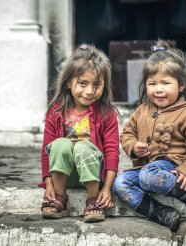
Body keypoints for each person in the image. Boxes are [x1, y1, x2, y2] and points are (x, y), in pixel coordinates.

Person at [113, 40, 186, 231]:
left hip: (172, 166)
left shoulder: (185, 114)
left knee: (148, 176)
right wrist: (133, 146)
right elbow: (127, 133)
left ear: (181, 85)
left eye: (165, 83)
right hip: (147, 167)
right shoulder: (142, 110)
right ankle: (160, 212)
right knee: (119, 183)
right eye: (152, 83)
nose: (158, 89)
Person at [39, 43, 119, 223]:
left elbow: (112, 151)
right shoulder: (56, 112)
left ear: (104, 86)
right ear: (68, 82)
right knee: (60, 144)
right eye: (83, 83)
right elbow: (46, 151)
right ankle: (60, 198)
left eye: (96, 85)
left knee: (83, 146)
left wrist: (106, 189)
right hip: (64, 176)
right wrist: (48, 183)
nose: (90, 91)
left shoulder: (106, 113)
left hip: (93, 176)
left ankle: (92, 200)